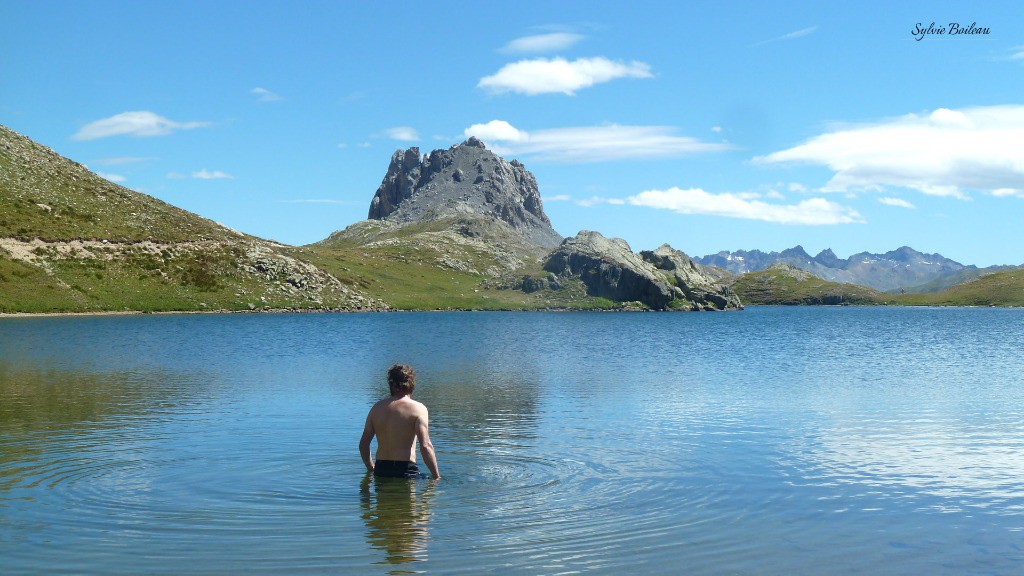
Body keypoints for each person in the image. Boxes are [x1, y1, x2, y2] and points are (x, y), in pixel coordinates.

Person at [360, 364, 441, 480]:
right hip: (406, 471)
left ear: (391, 384)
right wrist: (436, 477)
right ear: (411, 384)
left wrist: (371, 468)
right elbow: (425, 445)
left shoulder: (376, 408)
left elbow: (363, 445)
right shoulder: (418, 409)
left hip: (381, 469)